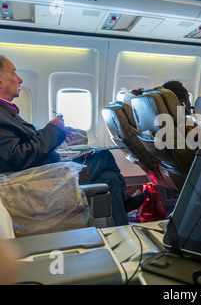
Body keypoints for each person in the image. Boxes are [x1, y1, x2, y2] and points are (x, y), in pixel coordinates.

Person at [0, 55, 147, 226]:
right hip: (39, 180)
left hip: (44, 172)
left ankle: (121, 232)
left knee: (110, 178)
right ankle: (124, 202)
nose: (20, 79)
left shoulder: (7, 112)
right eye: (14, 73)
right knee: (104, 157)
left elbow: (25, 144)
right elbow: (18, 157)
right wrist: (52, 129)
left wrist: (58, 132)